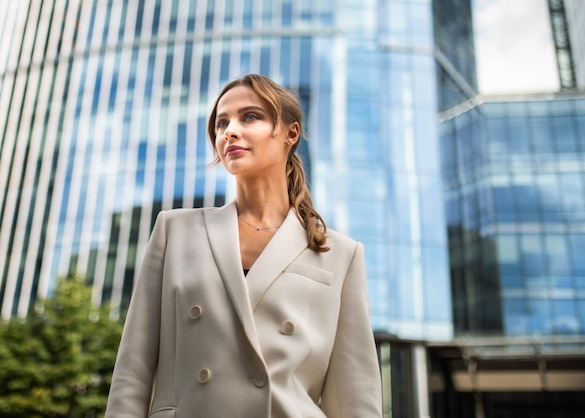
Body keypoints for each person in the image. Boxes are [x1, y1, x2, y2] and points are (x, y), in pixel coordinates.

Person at [105, 74, 382, 417]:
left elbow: (355, 394)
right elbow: (133, 369)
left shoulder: (339, 254)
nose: (229, 131)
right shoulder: (174, 231)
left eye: (249, 117)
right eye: (222, 123)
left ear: (290, 133)